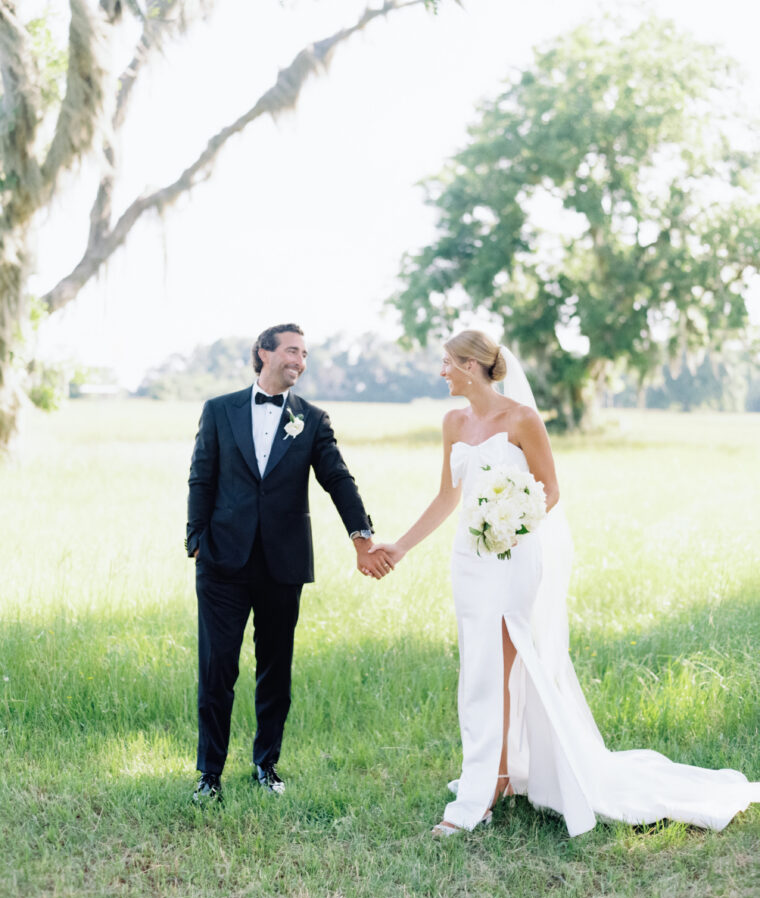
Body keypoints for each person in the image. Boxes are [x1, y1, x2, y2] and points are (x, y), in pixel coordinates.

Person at [370, 330, 760, 837]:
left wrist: (510, 525)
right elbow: (448, 497)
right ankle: (501, 772)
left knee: (506, 663)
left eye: (446, 362)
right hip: (469, 561)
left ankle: (482, 788)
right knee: (479, 665)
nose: (441, 372)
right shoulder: (453, 422)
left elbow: (550, 491)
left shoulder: (522, 419)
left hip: (514, 555)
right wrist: (400, 546)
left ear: (470, 365)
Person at [186, 323, 393, 803]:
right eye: (292, 351)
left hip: (283, 563)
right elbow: (201, 475)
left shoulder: (313, 419)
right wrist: (195, 538)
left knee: (275, 670)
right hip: (222, 562)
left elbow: (338, 479)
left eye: (305, 354)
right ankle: (208, 774)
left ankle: (266, 765)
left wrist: (362, 537)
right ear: (264, 353)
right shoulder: (219, 410)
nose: (300, 360)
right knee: (217, 669)